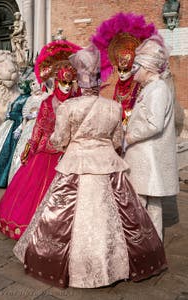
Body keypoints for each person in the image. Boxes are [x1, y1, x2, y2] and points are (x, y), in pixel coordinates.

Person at [13, 44, 167, 289]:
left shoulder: (68, 107)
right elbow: (117, 140)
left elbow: (59, 139)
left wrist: (67, 144)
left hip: (75, 163)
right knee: (120, 217)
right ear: (98, 83)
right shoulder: (114, 107)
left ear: (80, 83)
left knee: (60, 218)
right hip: (108, 165)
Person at [0, 39, 81, 240]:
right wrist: (30, 148)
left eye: (70, 83)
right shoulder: (47, 104)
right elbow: (39, 129)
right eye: (63, 82)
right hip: (47, 153)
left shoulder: (78, 103)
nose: (67, 87)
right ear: (57, 81)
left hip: (72, 155)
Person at [124, 34, 179, 240]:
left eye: (136, 66)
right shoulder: (150, 88)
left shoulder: (157, 89)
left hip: (149, 158)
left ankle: (148, 246)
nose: (132, 71)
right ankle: (150, 245)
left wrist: (129, 137)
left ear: (147, 67)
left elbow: (154, 124)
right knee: (147, 204)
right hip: (145, 158)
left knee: (146, 204)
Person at [0, 77, 31, 188]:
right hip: (9, 126)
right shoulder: (19, 97)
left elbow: (23, 115)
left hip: (15, 127)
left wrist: (11, 115)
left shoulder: (26, 98)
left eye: (22, 85)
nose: (20, 87)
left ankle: (3, 179)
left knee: (8, 151)